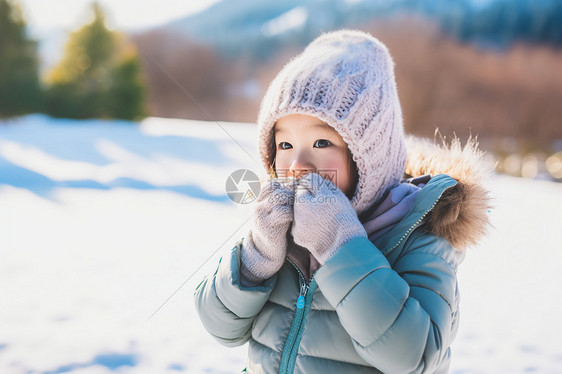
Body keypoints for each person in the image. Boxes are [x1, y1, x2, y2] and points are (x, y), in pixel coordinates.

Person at [194, 29, 492, 373]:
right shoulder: (279, 229)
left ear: (369, 155)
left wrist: (341, 247)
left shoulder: (417, 234)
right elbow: (221, 328)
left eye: (322, 143)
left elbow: (415, 356)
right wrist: (255, 259)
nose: (298, 165)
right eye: (285, 145)